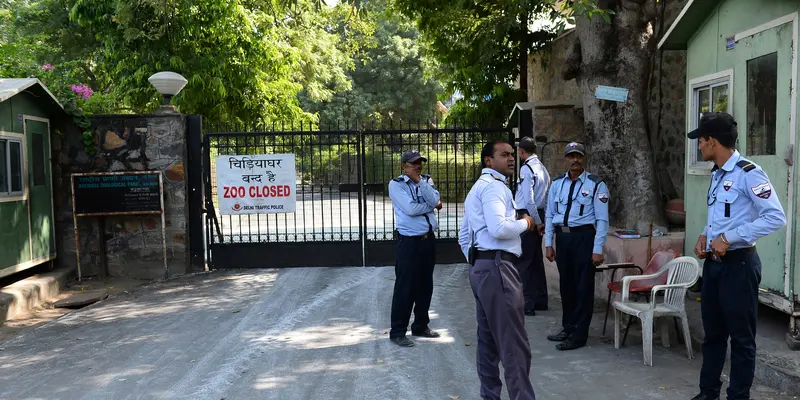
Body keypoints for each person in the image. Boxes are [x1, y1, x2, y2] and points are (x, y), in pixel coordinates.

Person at [688, 112, 786, 400]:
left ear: (713, 141)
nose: (699, 147)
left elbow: (775, 217)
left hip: (739, 266)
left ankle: (738, 396)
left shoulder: (749, 173)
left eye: (701, 141)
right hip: (715, 267)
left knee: (742, 341)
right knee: (714, 336)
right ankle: (708, 393)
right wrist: (706, 235)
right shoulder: (717, 174)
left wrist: (728, 238)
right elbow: (720, 216)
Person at [458, 140, 537, 400]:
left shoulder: (477, 189)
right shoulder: (494, 188)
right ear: (488, 161)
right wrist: (526, 223)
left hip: (483, 269)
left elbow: (463, 237)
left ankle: (489, 396)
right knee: (513, 345)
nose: (511, 159)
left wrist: (477, 262)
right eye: (504, 155)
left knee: (488, 343)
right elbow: (500, 229)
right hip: (497, 268)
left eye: (512, 154)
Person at [543, 142, 609, 351]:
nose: (575, 160)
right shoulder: (556, 184)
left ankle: (580, 334)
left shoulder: (596, 185)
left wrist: (597, 248)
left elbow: (602, 219)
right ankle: (568, 327)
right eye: (571, 156)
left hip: (584, 239)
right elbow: (550, 215)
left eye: (578, 156)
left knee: (583, 288)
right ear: (566, 159)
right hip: (563, 240)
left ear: (584, 158)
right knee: (567, 287)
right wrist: (548, 243)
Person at [387, 149, 443, 347]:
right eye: (413, 163)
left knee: (425, 285)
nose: (417, 166)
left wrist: (421, 184)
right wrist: (431, 206)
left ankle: (420, 324)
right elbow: (411, 209)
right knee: (405, 288)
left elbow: (435, 199)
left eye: (419, 162)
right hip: (409, 242)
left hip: (427, 240)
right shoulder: (396, 185)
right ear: (404, 166)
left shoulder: (426, 181)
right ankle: (397, 331)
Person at [514, 136, 551, 316]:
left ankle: (527, 303)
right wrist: (542, 220)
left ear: (521, 151)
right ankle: (540, 300)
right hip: (539, 213)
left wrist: (535, 221)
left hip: (529, 215)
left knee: (525, 261)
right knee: (536, 259)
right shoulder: (542, 168)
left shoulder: (526, 168)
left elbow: (528, 199)